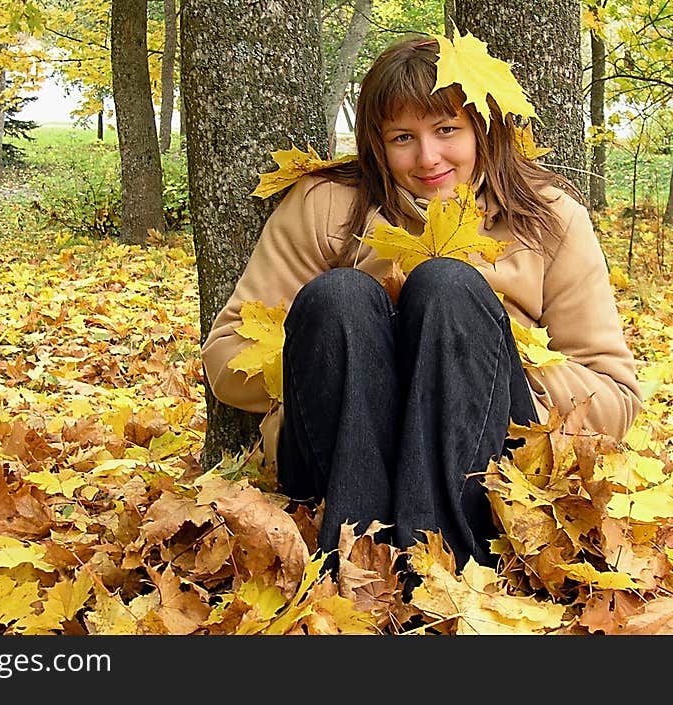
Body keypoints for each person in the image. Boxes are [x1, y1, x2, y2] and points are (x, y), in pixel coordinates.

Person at [200, 35, 643, 575]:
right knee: (342, 296)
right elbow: (226, 357)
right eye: (403, 137)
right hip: (337, 462)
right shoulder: (326, 206)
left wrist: (490, 352)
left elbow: (616, 398)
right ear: (377, 143)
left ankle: (445, 573)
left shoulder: (548, 217)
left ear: (482, 128)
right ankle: (354, 572)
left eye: (447, 130)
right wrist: (355, 341)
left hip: (485, 468)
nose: (428, 157)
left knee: (448, 288)